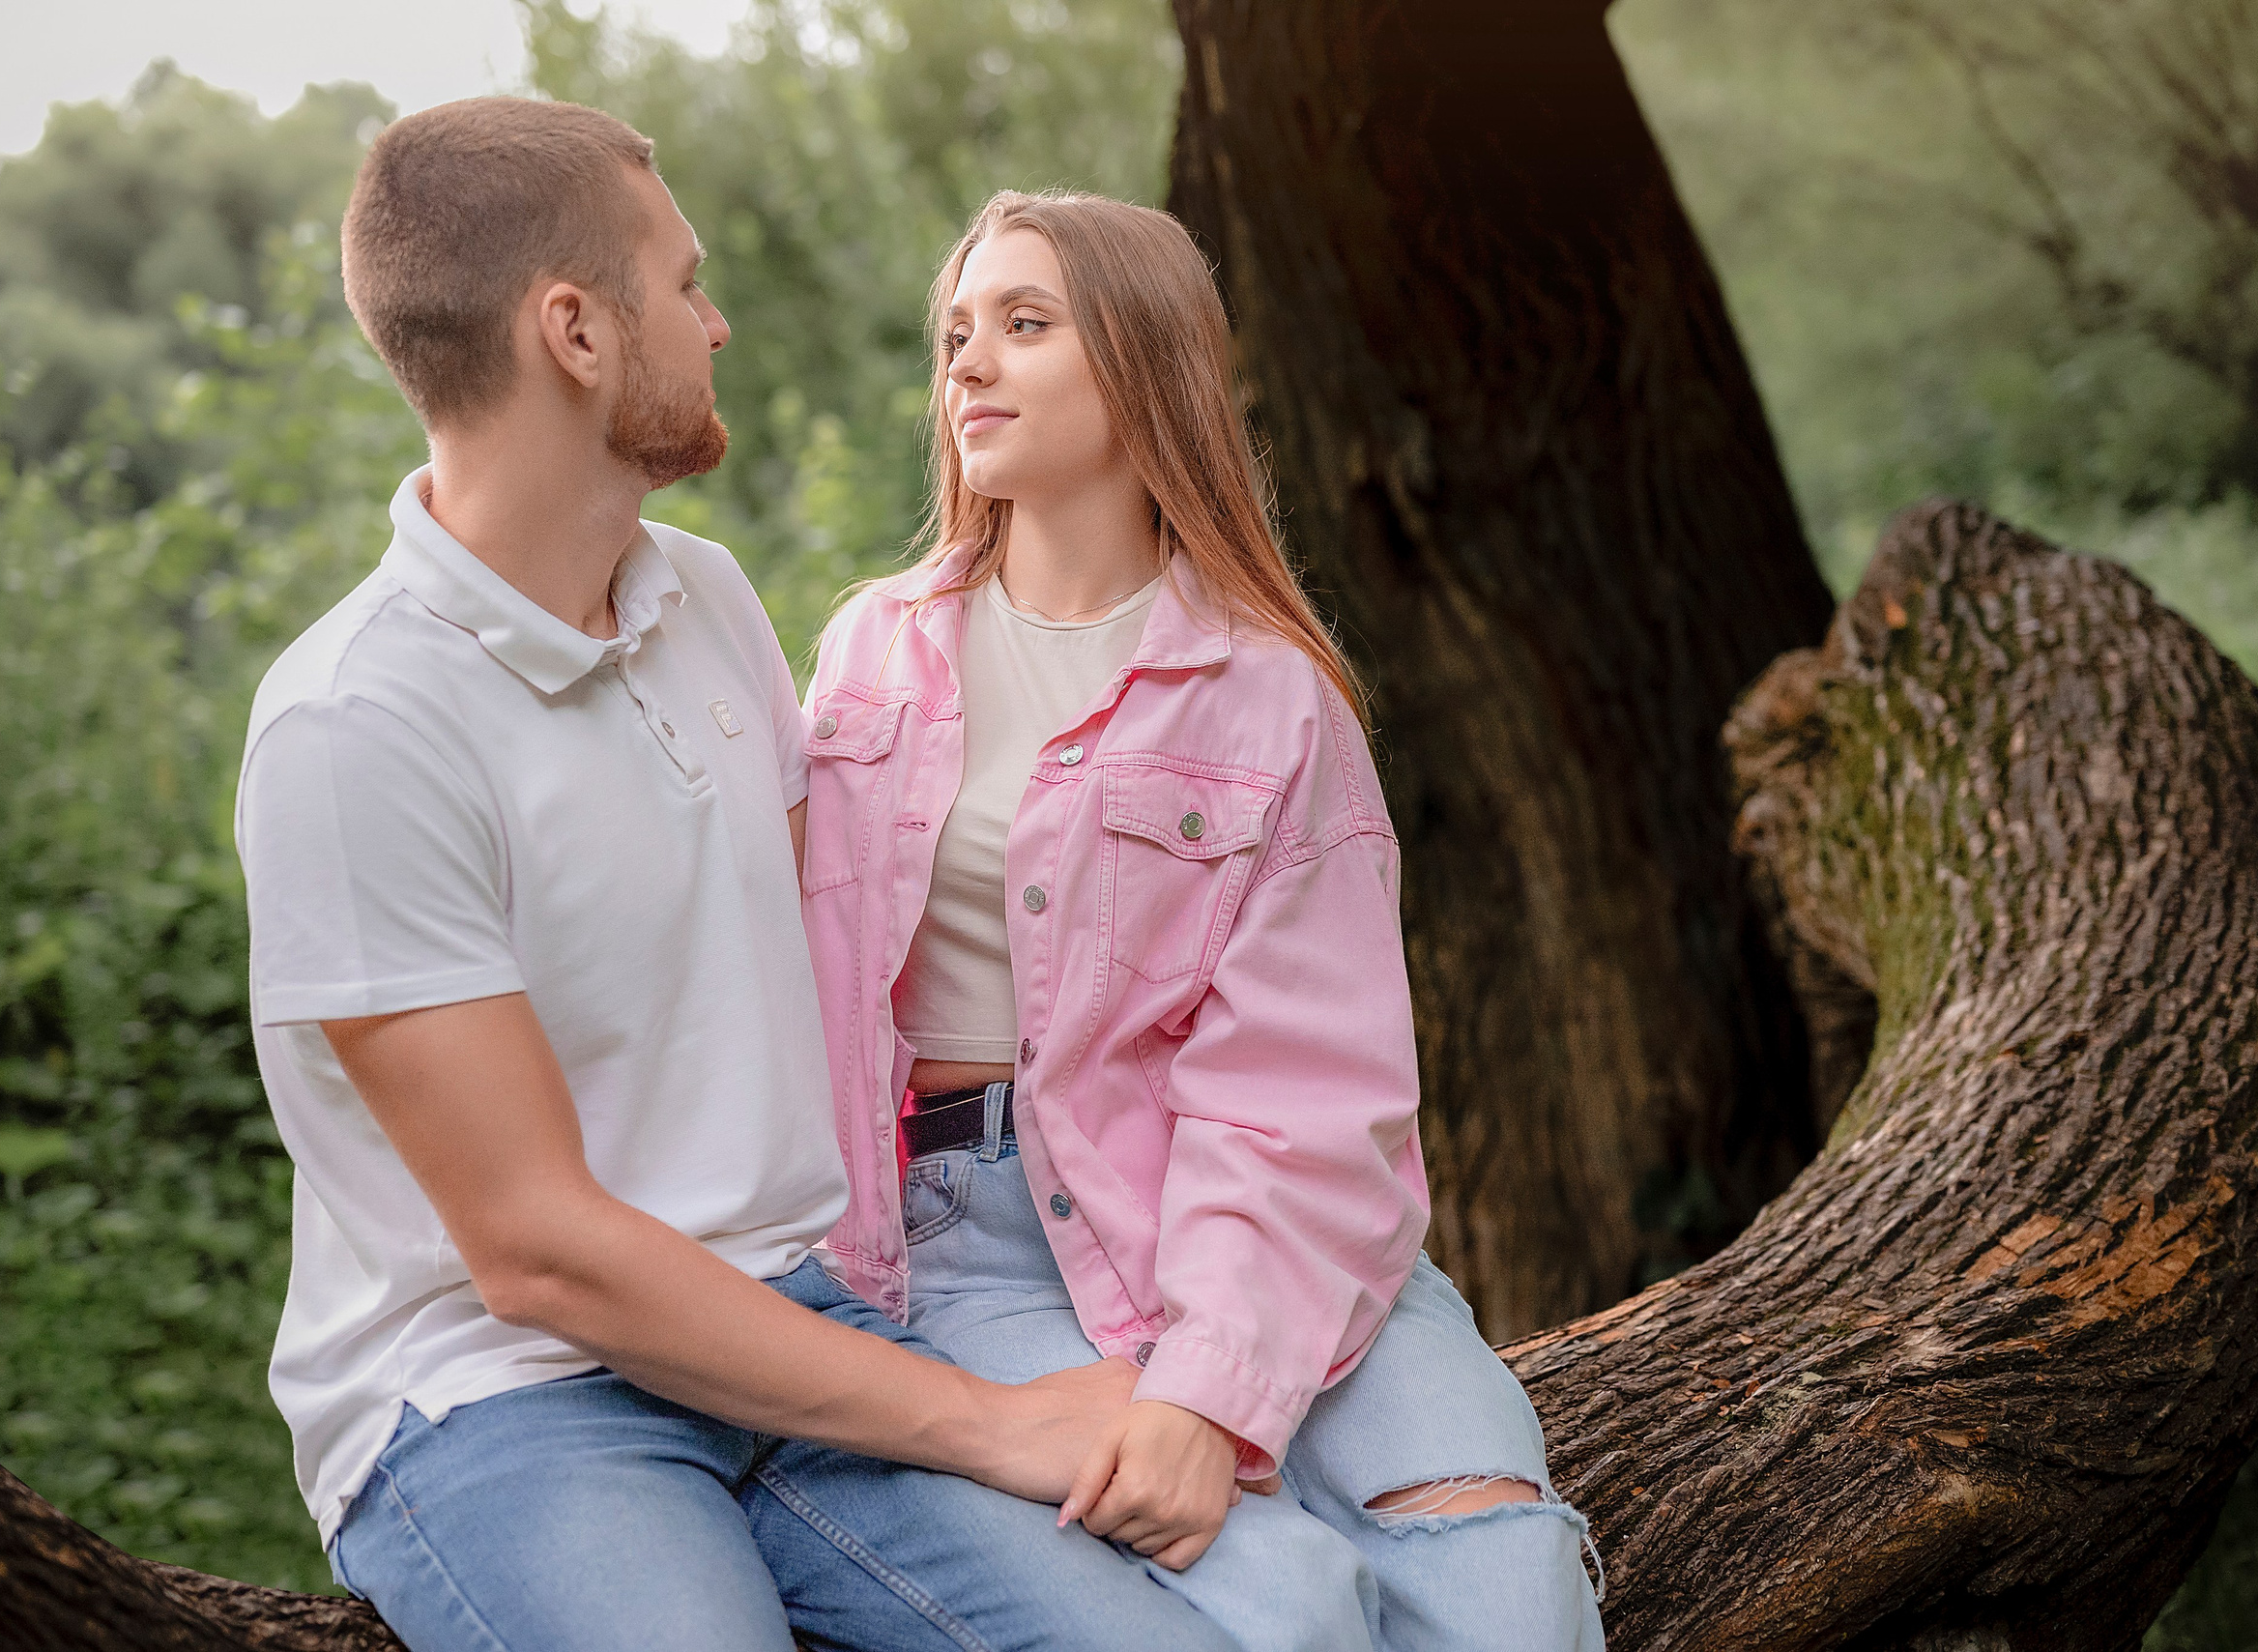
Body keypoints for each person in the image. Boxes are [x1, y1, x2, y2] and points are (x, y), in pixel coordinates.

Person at [234, 102, 1237, 1652]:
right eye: (683, 283)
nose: (715, 322)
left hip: (802, 1328)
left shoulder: (705, 598)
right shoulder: (354, 725)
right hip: (512, 1399)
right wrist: (990, 1418)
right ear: (572, 330)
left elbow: (844, 978)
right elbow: (541, 1251)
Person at [801, 189, 1610, 1652]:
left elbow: (1308, 1097)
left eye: (1024, 325)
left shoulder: (1268, 693)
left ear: (1146, 359)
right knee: (1288, 1615)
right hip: (973, 1236)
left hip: (1268, 1210)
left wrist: (1206, 1390)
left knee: (1511, 1599)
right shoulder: (872, 651)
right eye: (954, 335)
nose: (968, 364)